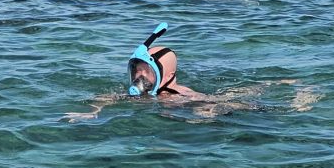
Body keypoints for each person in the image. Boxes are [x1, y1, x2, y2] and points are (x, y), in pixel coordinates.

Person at [64, 22, 320, 121]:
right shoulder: (138, 95)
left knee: (238, 99)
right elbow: (106, 98)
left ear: (166, 75)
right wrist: (92, 111)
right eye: (136, 71)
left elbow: (220, 104)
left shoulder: (180, 95)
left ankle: (296, 98)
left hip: (202, 102)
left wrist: (208, 113)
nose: (140, 77)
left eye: (146, 72)